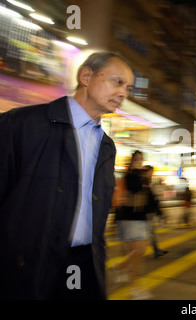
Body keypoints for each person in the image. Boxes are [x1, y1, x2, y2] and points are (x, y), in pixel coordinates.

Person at [0, 51, 134, 299]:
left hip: (82, 266)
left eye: (128, 87)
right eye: (117, 82)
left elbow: (98, 217)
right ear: (86, 76)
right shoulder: (21, 125)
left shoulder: (107, 146)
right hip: (26, 267)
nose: (124, 93)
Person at [114, 151, 153, 299]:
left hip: (141, 218)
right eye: (136, 159)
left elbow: (148, 198)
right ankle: (135, 289)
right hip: (129, 218)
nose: (139, 162)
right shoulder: (129, 176)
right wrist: (140, 174)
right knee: (137, 253)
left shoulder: (142, 177)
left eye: (141, 159)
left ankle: (119, 267)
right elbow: (135, 188)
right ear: (131, 161)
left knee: (140, 252)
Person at [141, 165, 168, 259]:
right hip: (146, 211)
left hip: (149, 211)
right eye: (151, 172)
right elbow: (148, 198)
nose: (152, 174)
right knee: (148, 233)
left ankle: (156, 250)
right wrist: (157, 209)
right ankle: (153, 250)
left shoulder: (147, 182)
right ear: (146, 172)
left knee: (150, 232)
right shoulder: (143, 181)